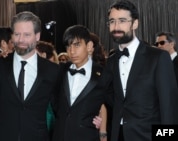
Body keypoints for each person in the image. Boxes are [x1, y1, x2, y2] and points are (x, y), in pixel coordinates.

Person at [103, 1, 178, 141]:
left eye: (122, 21)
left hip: (147, 136)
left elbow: (169, 107)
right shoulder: (111, 61)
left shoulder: (158, 57)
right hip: (118, 135)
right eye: (112, 21)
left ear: (135, 24)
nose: (116, 26)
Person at [0, 11, 60, 141]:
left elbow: (61, 108)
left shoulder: (52, 70)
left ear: (37, 36)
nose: (21, 40)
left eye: (26, 35)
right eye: (17, 34)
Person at [51, 25, 108, 141]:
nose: (71, 51)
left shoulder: (104, 75)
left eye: (77, 45)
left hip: (88, 136)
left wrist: (103, 131)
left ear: (89, 46)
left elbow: (109, 105)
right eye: (68, 46)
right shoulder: (59, 71)